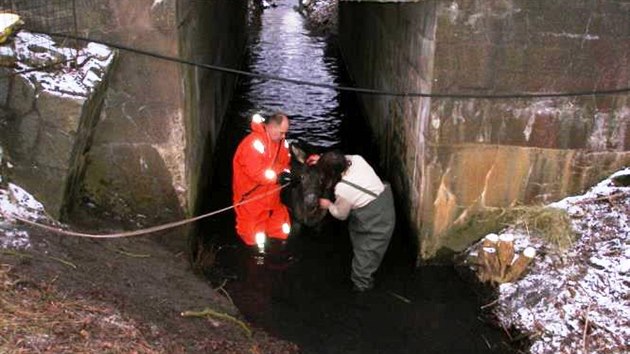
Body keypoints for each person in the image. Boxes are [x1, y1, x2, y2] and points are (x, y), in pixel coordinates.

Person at [315, 151, 395, 292]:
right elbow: (342, 159)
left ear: (333, 172)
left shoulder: (344, 189)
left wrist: (328, 205)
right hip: (383, 196)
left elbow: (341, 214)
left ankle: (361, 286)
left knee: (366, 254)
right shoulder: (357, 159)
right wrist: (321, 160)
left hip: (378, 218)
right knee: (359, 238)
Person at [232, 112, 293, 254]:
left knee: (281, 229)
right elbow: (256, 173)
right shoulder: (254, 144)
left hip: (272, 198)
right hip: (251, 200)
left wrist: (288, 175)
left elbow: (285, 164)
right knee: (253, 239)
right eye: (282, 132)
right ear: (272, 127)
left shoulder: (281, 143)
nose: (284, 136)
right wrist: (278, 178)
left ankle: (278, 256)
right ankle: (257, 263)